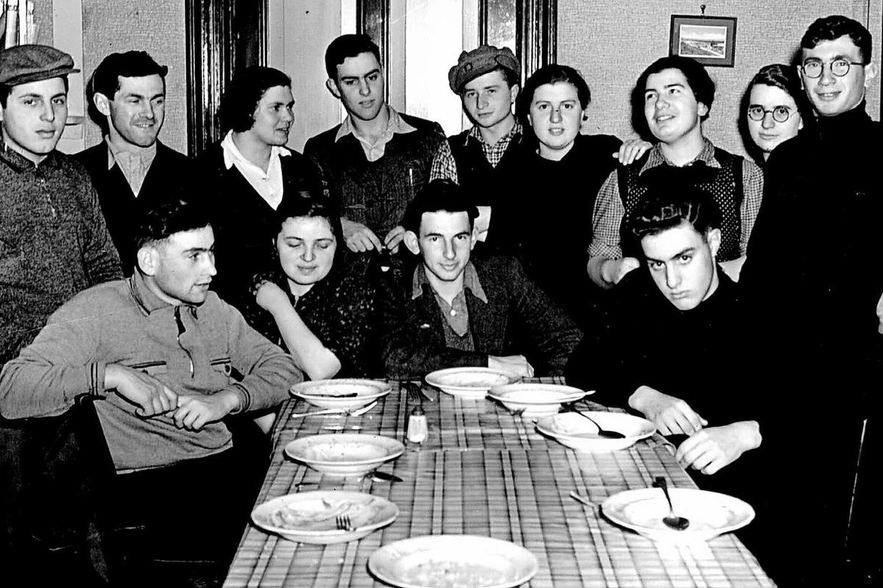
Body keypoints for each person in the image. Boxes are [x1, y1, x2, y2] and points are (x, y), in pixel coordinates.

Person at [0, 200, 302, 584]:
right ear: (149, 261)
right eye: (194, 256)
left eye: (210, 252)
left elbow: (286, 369)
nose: (211, 269)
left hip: (224, 472)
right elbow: (10, 388)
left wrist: (229, 399)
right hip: (151, 493)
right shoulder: (95, 311)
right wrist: (109, 375)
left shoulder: (213, 308)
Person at [740, 15, 881, 586]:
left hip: (839, 371)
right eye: (815, 65)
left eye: (841, 64)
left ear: (865, 73)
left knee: (825, 537)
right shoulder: (791, 156)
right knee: (769, 524)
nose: (826, 78)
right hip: (776, 361)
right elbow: (765, 266)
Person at [1, 44, 123, 582]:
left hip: (79, 380)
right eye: (31, 102)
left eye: (57, 100)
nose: (49, 117)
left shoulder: (75, 179)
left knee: (79, 535)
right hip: (12, 392)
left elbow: (104, 266)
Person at [566, 188, 762, 500]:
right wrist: (644, 396)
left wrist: (749, 433)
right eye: (657, 264)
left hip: (729, 495)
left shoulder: (754, 312)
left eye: (684, 258)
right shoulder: (639, 291)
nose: (671, 281)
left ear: (713, 242)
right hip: (640, 481)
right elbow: (582, 366)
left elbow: (808, 409)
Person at [378, 179, 583, 379]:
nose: (450, 253)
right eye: (435, 239)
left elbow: (569, 339)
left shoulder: (503, 273)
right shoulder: (395, 284)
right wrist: (488, 364)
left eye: (460, 237)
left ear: (474, 238)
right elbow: (393, 358)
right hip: (427, 410)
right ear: (414, 243)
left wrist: (535, 390)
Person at [587, 55, 763, 288]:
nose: (659, 103)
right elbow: (597, 259)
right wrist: (612, 270)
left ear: (702, 105)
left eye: (673, 91)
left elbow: (757, 259)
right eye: (651, 96)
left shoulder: (745, 176)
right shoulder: (622, 177)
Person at [196, 65, 325, 312]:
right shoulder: (203, 174)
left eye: (289, 107)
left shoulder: (303, 169)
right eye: (276, 108)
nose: (289, 117)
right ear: (247, 109)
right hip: (232, 317)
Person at [304, 34, 445, 258]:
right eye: (351, 82)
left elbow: (450, 213)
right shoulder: (320, 150)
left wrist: (418, 228)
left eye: (372, 77)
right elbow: (307, 219)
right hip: (347, 286)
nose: (365, 90)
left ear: (382, 73)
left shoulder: (428, 137)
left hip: (417, 283)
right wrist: (339, 227)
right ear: (333, 86)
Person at [243, 192, 381, 379]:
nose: (308, 257)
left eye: (322, 245)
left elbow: (321, 371)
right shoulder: (259, 283)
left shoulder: (355, 291)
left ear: (337, 246)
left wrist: (278, 304)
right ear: (275, 244)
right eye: (294, 244)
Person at [77, 50, 191, 275]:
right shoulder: (75, 174)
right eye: (135, 100)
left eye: (157, 101)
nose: (149, 113)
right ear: (102, 104)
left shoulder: (193, 173)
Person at [430, 44, 524, 244]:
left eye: (491, 91)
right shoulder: (451, 151)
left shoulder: (539, 143)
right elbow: (441, 224)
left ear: (513, 92)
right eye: (471, 94)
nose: (481, 104)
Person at [740, 63, 812, 164]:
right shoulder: (747, 174)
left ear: (801, 119)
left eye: (781, 111)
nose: (766, 124)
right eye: (758, 110)